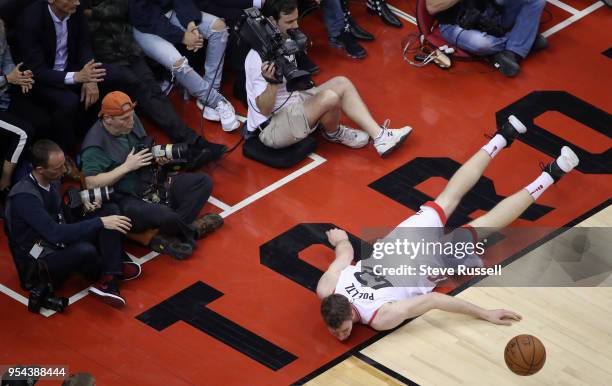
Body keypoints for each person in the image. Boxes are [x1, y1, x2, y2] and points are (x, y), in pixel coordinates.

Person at [316, 115, 580, 340]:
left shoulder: (381, 318)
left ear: (350, 311)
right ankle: (506, 137)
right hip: (401, 243)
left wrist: (484, 314)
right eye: (336, 331)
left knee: (483, 222)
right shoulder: (327, 288)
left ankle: (549, 171)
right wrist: (340, 241)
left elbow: (433, 301)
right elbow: (346, 254)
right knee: (449, 198)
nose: (340, 336)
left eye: (342, 330)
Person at [246, 0, 413, 157]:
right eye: (289, 22)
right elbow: (264, 110)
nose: (295, 26)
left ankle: (380, 137)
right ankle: (334, 132)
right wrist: (272, 83)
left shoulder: (284, 40)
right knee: (330, 97)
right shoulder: (257, 59)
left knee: (341, 82)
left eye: (296, 20)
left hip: (293, 104)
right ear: (272, 21)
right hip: (271, 128)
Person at [80, 92, 224, 260]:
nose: (131, 122)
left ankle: (166, 235)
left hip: (151, 183)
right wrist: (126, 167)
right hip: (126, 199)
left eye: (131, 116)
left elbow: (145, 146)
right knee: (166, 214)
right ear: (108, 118)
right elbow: (91, 183)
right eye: (124, 119)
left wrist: (158, 160)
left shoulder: (130, 121)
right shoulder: (94, 146)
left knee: (202, 182)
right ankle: (193, 230)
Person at [83, 0, 227, 164]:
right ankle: (188, 145)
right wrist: (88, 75)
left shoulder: (80, 9)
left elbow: (122, 8)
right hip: (97, 60)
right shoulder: (71, 12)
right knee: (140, 89)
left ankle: (191, 143)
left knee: (151, 89)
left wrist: (89, 13)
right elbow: (81, 44)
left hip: (125, 48)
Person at [4, 140, 141, 307]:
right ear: (40, 169)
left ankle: (110, 276)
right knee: (86, 248)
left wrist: (84, 209)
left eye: (63, 164)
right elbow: (55, 232)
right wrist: (98, 222)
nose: (64, 171)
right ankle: (108, 270)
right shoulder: (24, 197)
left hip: (57, 242)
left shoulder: (52, 180)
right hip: (39, 259)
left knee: (110, 210)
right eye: (58, 168)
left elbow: (61, 215)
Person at [129, 0, 240, 132]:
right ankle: (216, 101)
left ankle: (210, 94)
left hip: (172, 12)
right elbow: (144, 16)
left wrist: (190, 24)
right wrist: (182, 36)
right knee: (177, 63)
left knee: (218, 28)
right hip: (146, 27)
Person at [15, 0, 111, 151]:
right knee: (69, 101)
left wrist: (90, 76)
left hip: (71, 67)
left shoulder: (74, 9)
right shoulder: (30, 21)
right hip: (40, 79)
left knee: (111, 76)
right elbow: (37, 71)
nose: (78, 2)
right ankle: (66, 150)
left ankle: (100, 133)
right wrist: (77, 77)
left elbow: (84, 44)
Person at [426, 0, 548, 77]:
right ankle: (521, 40)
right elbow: (432, 7)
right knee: (483, 44)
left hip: (488, 14)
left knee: (536, 1)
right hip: (455, 24)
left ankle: (515, 48)